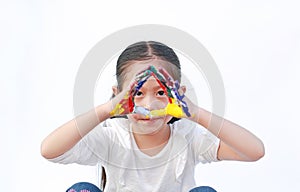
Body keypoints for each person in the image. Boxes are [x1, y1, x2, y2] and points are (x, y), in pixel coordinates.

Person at [41, 41, 265, 192]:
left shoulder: (189, 139)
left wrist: (196, 114)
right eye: (137, 93)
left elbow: (254, 151)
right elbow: (50, 150)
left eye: (161, 92)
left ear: (179, 96)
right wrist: (105, 110)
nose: (149, 105)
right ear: (117, 96)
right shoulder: (110, 138)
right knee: (83, 190)